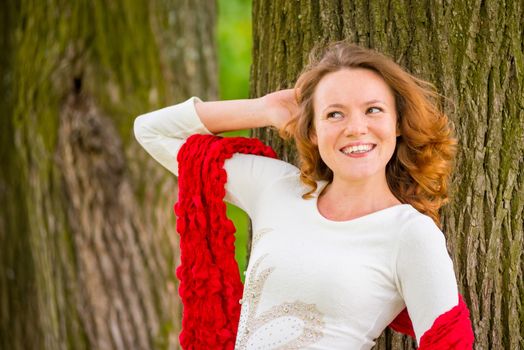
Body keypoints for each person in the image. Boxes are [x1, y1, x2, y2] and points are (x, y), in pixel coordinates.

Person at [134, 41, 471, 349]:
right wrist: (263, 109)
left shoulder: (410, 233)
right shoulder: (278, 189)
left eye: (373, 110)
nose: (355, 128)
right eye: (334, 114)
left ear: (398, 123)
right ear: (312, 130)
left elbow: (450, 343)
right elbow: (152, 132)